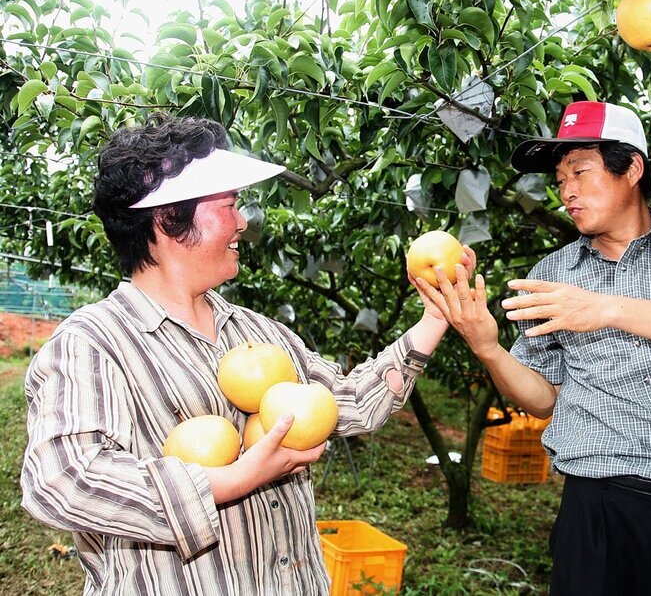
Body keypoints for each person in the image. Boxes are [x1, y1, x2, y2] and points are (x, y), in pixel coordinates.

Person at [20, 114, 466, 595]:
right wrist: (229, 481)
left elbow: (351, 403)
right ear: (169, 218)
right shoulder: (93, 342)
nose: (242, 221)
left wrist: (435, 316)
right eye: (230, 206)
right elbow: (60, 480)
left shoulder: (256, 332)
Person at [415, 100, 651, 595]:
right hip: (600, 515)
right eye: (560, 181)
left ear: (633, 169)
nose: (567, 192)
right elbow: (543, 399)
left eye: (580, 171)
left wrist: (604, 308)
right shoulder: (552, 275)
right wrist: (488, 347)